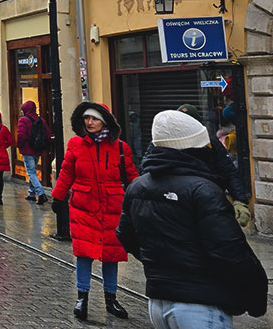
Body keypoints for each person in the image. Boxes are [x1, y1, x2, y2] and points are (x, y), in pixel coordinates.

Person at [116, 109, 267, 329]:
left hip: (159, 302)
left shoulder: (138, 186)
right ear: (194, 146)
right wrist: (255, 297)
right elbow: (232, 253)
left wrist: (161, 264)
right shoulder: (202, 190)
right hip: (201, 304)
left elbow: (126, 236)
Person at [51, 102, 138, 321]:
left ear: (105, 121)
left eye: (95, 119)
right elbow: (67, 172)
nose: (90, 123)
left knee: (111, 254)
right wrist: (58, 196)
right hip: (84, 206)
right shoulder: (76, 144)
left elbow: (131, 175)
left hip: (112, 207)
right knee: (84, 253)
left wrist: (139, 201)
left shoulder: (120, 147)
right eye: (87, 118)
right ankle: (82, 298)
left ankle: (111, 298)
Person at [176, 104, 253, 213]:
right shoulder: (166, 145)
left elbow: (229, 172)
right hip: (179, 203)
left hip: (209, 200)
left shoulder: (210, 144)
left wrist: (240, 201)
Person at [14, 100, 48, 204]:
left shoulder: (23, 120)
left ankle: (41, 193)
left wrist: (19, 145)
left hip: (27, 149)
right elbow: (47, 132)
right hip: (38, 149)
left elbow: (21, 135)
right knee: (32, 170)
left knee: (31, 172)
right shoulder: (41, 120)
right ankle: (32, 194)